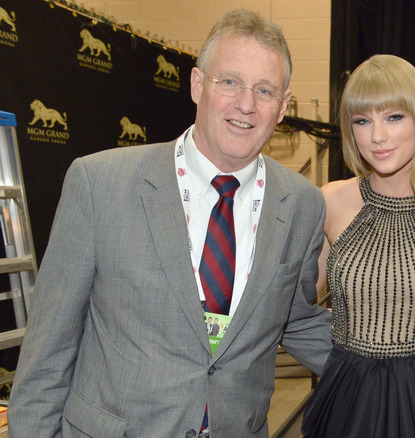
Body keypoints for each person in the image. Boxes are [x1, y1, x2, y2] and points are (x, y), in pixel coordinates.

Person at [8, 8, 332, 438]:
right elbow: (47, 351)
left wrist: (404, 360)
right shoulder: (99, 183)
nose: (246, 104)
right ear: (198, 85)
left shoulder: (302, 205)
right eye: (229, 81)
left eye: (265, 90)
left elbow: (295, 318)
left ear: (283, 106)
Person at [301, 54, 415, 438]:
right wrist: (339, 354)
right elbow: (292, 304)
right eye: (362, 120)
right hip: (346, 396)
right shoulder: (331, 201)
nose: (377, 136)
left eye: (393, 117)